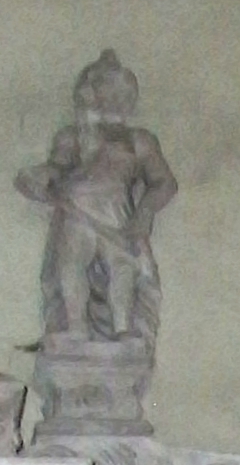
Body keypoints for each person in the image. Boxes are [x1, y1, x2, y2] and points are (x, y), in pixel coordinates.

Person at [17, 52, 178, 347]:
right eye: (98, 91)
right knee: (71, 264)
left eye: (116, 93)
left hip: (117, 216)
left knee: (122, 268)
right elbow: (57, 168)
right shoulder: (73, 136)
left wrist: (144, 213)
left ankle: (123, 328)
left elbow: (164, 183)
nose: (107, 99)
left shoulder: (139, 141)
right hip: (76, 211)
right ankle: (76, 327)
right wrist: (39, 177)